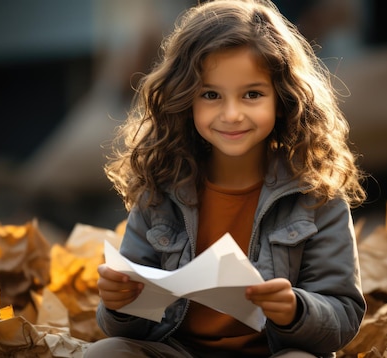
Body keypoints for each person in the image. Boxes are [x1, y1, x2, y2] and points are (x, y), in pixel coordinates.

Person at [86, 0, 367, 357]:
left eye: (252, 94)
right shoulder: (160, 188)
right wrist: (117, 304)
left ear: (282, 99)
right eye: (211, 95)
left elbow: (343, 316)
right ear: (185, 100)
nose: (231, 114)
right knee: (104, 353)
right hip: (180, 351)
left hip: (274, 352)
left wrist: (297, 311)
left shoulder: (317, 195)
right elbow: (127, 326)